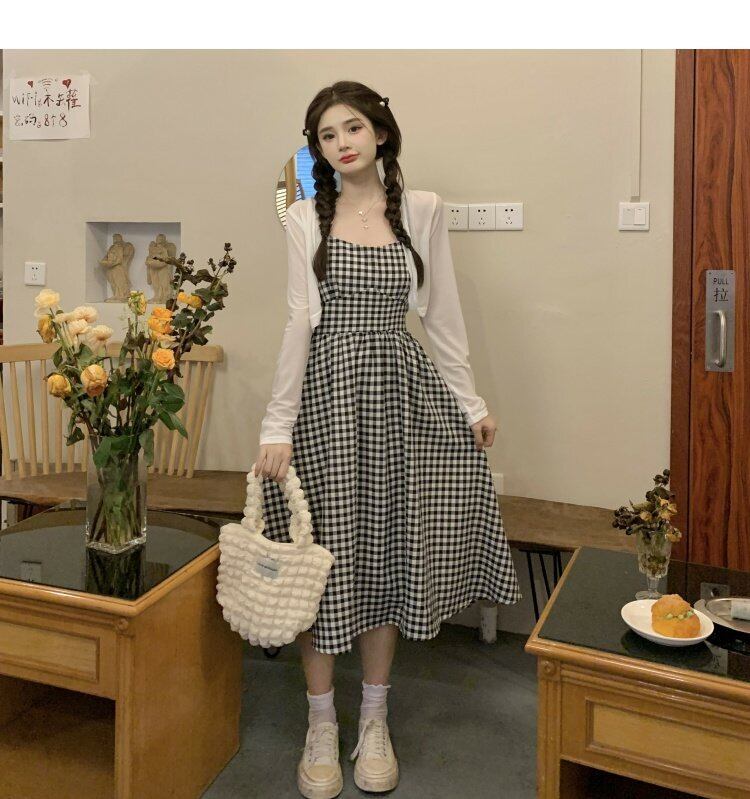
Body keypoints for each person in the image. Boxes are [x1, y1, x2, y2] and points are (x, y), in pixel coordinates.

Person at [254, 80, 521, 799]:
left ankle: (374, 717)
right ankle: (320, 722)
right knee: (318, 559)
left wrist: (470, 401)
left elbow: (442, 315)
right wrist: (277, 425)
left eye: (352, 128)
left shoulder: (423, 210)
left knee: (386, 551)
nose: (341, 143)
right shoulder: (303, 217)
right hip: (325, 399)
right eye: (326, 135)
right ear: (317, 151)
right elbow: (298, 321)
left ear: (379, 132)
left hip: (399, 395)